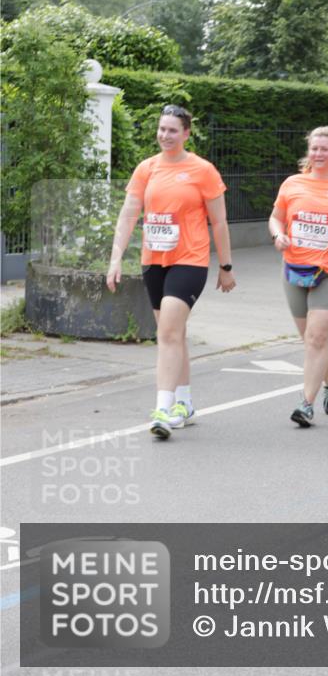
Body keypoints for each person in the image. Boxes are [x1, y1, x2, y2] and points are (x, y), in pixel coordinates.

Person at [106, 104, 235, 439]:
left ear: (186, 134)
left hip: (190, 260)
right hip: (154, 260)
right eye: (162, 129)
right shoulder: (146, 168)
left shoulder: (203, 170)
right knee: (173, 334)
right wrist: (116, 258)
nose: (165, 135)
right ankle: (185, 403)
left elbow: (219, 221)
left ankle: (163, 409)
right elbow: (128, 214)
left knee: (167, 333)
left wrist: (225, 266)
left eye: (173, 130)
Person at [268, 126, 328, 427]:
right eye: (314, 148)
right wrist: (278, 235)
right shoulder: (292, 183)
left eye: (324, 149)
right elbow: (276, 218)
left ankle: (306, 404)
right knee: (312, 340)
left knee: (316, 337)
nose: (318, 154)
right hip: (295, 269)